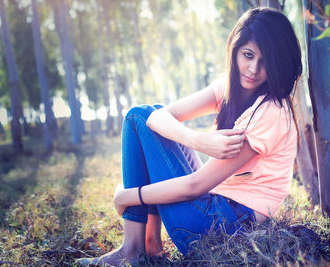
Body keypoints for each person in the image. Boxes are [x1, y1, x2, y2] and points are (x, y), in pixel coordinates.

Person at [77, 7, 302, 267]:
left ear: (279, 64)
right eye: (248, 55)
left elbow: (195, 186)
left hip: (223, 228)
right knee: (140, 118)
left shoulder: (272, 112)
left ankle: (136, 246)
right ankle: (144, 243)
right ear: (235, 51)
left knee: (136, 117)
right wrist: (198, 140)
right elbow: (159, 118)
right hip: (216, 209)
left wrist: (129, 196)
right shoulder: (231, 87)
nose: (253, 69)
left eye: (265, 62)